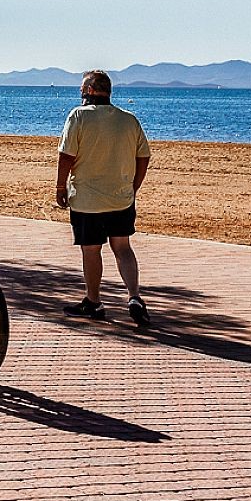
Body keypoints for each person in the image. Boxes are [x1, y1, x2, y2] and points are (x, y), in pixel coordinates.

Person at [57, 70, 153, 329]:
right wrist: (133, 186)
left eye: (82, 87)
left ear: (89, 90)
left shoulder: (78, 115)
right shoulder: (128, 120)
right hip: (120, 198)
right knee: (123, 248)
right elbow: (143, 156)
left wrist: (60, 187)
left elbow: (66, 155)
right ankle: (134, 296)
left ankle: (94, 301)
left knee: (91, 250)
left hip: (87, 200)